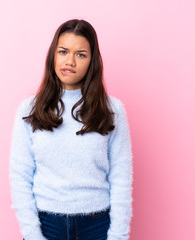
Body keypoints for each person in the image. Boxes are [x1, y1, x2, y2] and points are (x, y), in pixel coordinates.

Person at [9, 19, 133, 240]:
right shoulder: (28, 110)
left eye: (81, 54)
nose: (70, 61)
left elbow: (121, 176)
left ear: (92, 61)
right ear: (53, 55)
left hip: (98, 225)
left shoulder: (112, 110)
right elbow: (20, 177)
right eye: (63, 51)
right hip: (47, 224)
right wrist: (32, 234)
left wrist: (118, 235)